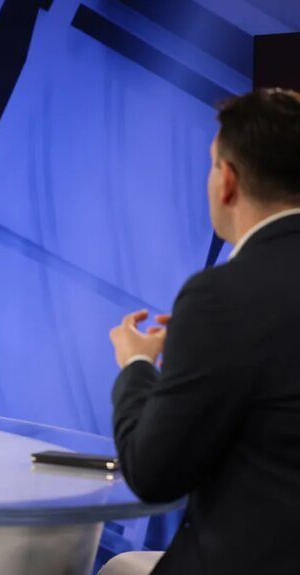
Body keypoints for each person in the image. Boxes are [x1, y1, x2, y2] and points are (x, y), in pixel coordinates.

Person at [104, 88, 300, 574]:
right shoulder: (227, 310)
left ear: (227, 180)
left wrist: (137, 364)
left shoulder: (222, 297)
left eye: (213, 165)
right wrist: (201, 349)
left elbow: (153, 475)